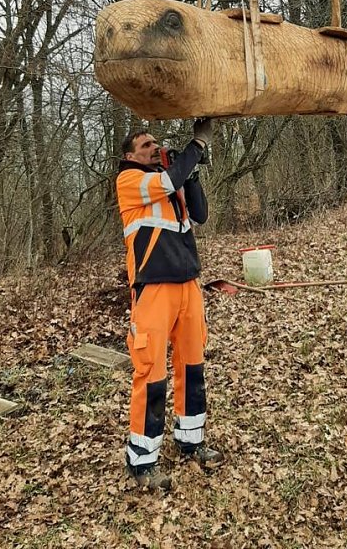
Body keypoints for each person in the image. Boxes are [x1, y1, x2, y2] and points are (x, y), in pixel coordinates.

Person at [116, 118, 223, 491]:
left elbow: (200, 215)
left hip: (187, 285)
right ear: (130, 155)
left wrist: (191, 173)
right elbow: (163, 182)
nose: (152, 148)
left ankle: (191, 442)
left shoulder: (170, 180)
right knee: (151, 374)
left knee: (192, 366)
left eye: (154, 144)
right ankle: (142, 461)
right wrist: (197, 146)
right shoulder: (130, 181)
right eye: (145, 145)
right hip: (153, 290)